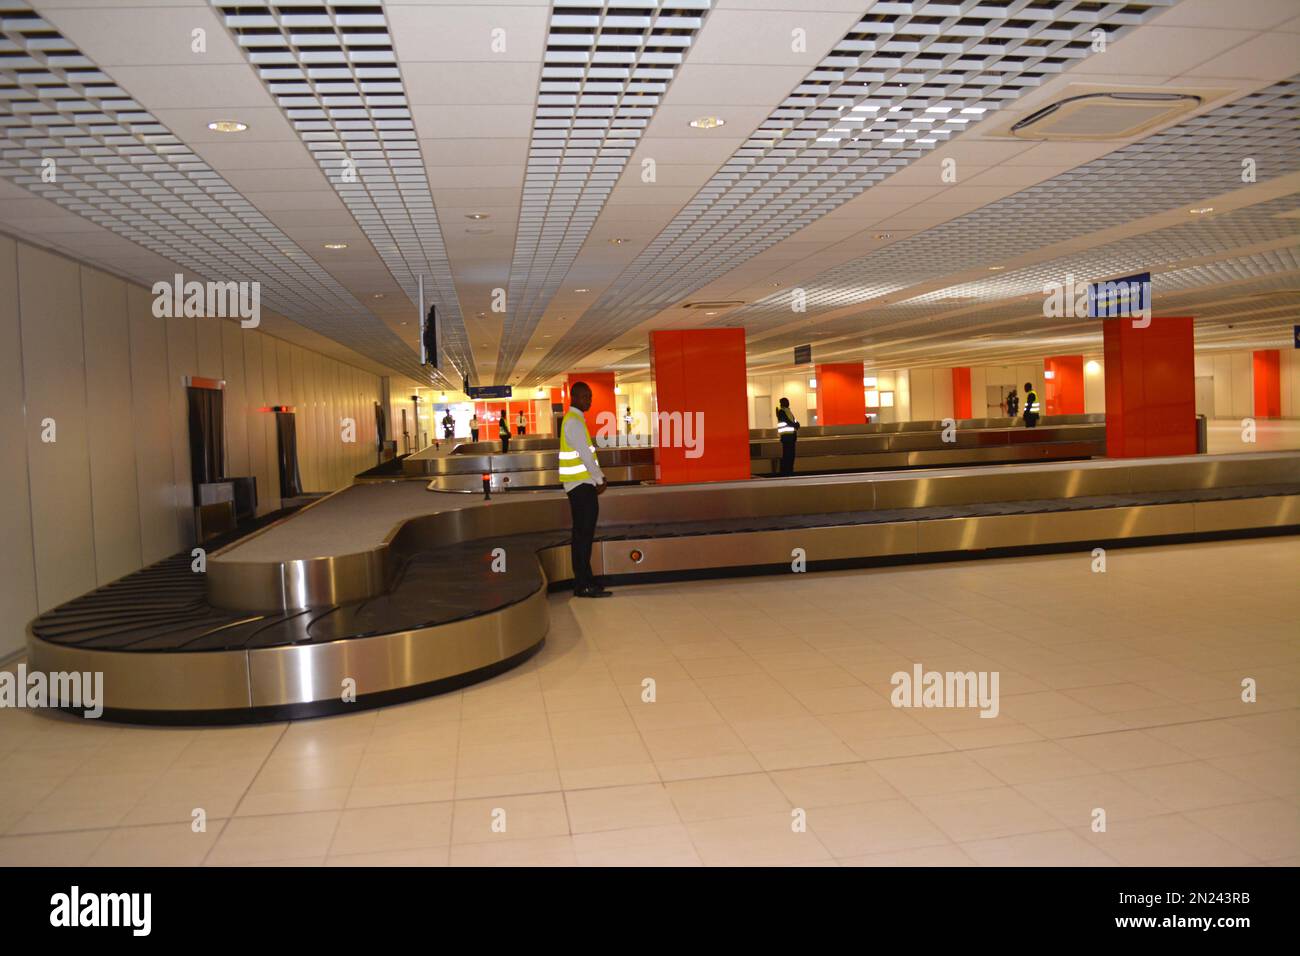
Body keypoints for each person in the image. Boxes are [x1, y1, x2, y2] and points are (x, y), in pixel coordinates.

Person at [560, 382, 610, 598]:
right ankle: (582, 584)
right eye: (585, 397)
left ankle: (586, 579)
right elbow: (586, 456)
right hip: (581, 486)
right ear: (575, 397)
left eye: (589, 397)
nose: (589, 400)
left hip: (580, 485)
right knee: (583, 535)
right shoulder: (574, 422)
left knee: (583, 535)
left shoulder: (575, 420)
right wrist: (599, 479)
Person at [775, 397, 799, 476]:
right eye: (786, 402)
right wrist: (795, 425)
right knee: (788, 456)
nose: (788, 403)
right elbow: (788, 421)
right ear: (782, 403)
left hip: (790, 437)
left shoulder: (788, 411)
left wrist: (796, 424)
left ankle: (789, 471)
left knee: (790, 455)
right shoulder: (782, 411)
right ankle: (786, 472)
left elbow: (792, 421)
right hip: (787, 437)